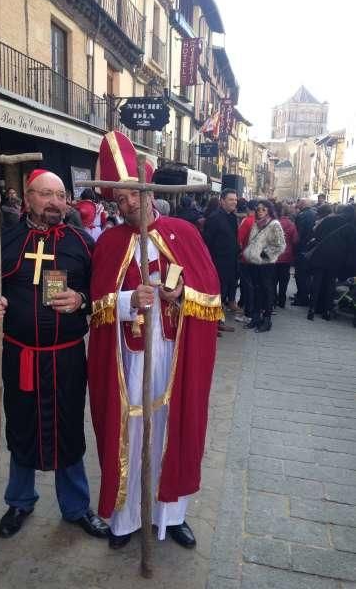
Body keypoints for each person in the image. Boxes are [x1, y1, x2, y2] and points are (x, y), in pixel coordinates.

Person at [88, 131, 222, 550]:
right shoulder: (109, 242)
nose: (128, 205)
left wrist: (181, 294)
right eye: (120, 201)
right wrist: (129, 299)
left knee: (172, 429)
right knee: (129, 433)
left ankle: (171, 516)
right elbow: (97, 306)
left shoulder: (183, 231)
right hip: (127, 360)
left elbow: (211, 293)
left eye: (133, 196)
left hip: (173, 355)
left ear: (149, 191)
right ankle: (126, 520)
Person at [0, 169, 108, 540]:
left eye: (60, 195)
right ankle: (19, 500)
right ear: (28, 197)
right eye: (46, 194)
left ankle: (77, 507)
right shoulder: (6, 240)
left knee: (68, 427)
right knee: (20, 426)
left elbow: (102, 294)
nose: (55, 202)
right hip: (20, 357)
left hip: (65, 358)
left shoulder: (82, 242)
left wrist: (82, 299)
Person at [306, 204, 356, 321]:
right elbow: (351, 247)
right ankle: (327, 311)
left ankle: (311, 309)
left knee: (317, 282)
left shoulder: (330, 219)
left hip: (321, 254)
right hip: (336, 259)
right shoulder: (351, 227)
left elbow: (317, 233)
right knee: (330, 284)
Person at [243, 200, 286, 332]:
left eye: (263, 209)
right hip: (254, 262)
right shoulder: (257, 223)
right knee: (256, 290)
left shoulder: (274, 224)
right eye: (258, 209)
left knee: (267, 291)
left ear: (269, 210)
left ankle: (267, 320)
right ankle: (256, 317)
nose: (260, 211)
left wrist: (265, 254)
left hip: (267, 264)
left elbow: (281, 245)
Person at [202, 188, 240, 328]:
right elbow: (207, 242)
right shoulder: (214, 218)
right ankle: (214, 323)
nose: (234, 202)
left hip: (230, 262)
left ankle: (218, 320)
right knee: (217, 292)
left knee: (223, 293)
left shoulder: (232, 217)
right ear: (222, 201)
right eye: (231, 199)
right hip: (218, 263)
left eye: (235, 200)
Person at [274, 202, 298, 308]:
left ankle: (273, 299)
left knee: (272, 280)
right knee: (284, 280)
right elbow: (295, 240)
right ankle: (282, 301)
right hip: (286, 256)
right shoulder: (292, 225)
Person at [293, 198, 316, 306]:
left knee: (300, 275)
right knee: (305, 275)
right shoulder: (314, 214)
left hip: (302, 249)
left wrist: (296, 246)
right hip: (311, 248)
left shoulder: (302, 215)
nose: (297, 204)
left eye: (299, 202)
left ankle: (302, 297)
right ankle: (302, 295)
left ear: (302, 204)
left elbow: (299, 233)